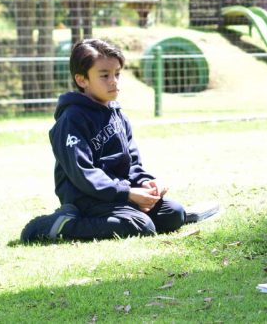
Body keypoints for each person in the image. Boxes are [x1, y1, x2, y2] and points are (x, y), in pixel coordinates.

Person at [20, 38, 186, 242]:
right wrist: (127, 193)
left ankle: (127, 214)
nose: (113, 81)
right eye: (104, 76)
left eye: (117, 74)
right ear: (82, 80)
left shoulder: (117, 114)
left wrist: (145, 183)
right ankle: (60, 225)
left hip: (119, 195)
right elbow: (83, 174)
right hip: (86, 200)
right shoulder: (71, 119)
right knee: (142, 226)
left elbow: (131, 163)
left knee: (174, 213)